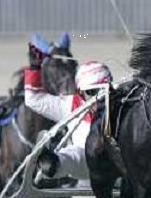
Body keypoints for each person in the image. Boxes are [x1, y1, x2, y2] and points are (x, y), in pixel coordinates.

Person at [23, 39, 112, 182]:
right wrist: (35, 67)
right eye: (92, 91)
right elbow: (34, 100)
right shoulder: (70, 105)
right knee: (74, 154)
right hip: (85, 164)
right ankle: (52, 162)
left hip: (120, 165)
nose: (99, 97)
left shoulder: (122, 103)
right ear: (80, 92)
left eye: (103, 90)